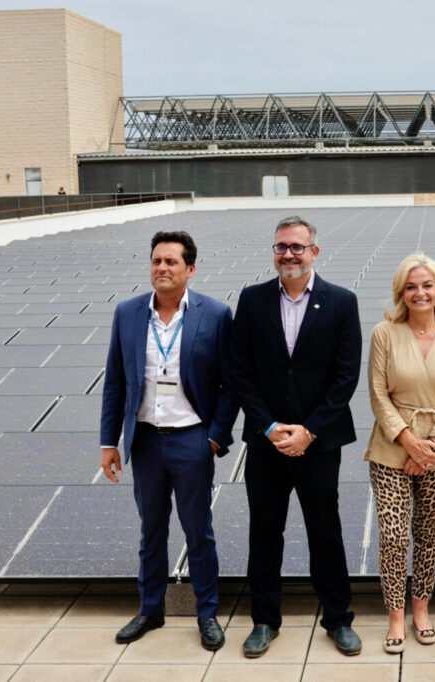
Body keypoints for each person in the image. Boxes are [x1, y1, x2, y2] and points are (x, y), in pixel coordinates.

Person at [230, 215, 363, 658]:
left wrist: (308, 430)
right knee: (265, 532)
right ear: (274, 252)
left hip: (318, 444)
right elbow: (240, 371)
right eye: (281, 246)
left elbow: (345, 378)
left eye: (297, 247)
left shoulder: (342, 302)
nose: (288, 254)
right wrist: (269, 426)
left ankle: (338, 620)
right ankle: (265, 621)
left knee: (325, 531)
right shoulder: (251, 300)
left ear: (314, 252)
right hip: (266, 443)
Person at [99, 230, 237, 651]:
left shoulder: (215, 314)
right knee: (151, 529)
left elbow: (231, 384)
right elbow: (115, 383)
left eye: (171, 262)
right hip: (144, 441)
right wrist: (109, 442)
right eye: (156, 261)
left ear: (190, 269)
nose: (162, 268)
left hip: (192, 439)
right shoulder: (127, 313)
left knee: (199, 532)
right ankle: (150, 609)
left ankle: (207, 613)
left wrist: (214, 437)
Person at [365, 253, 435, 653]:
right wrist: (408, 440)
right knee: (393, 537)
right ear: (401, 292)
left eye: (427, 285)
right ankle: (395, 615)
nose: (419, 293)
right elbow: (377, 394)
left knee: (427, 535)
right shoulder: (383, 333)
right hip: (391, 448)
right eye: (411, 286)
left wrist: (432, 447)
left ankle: (421, 609)